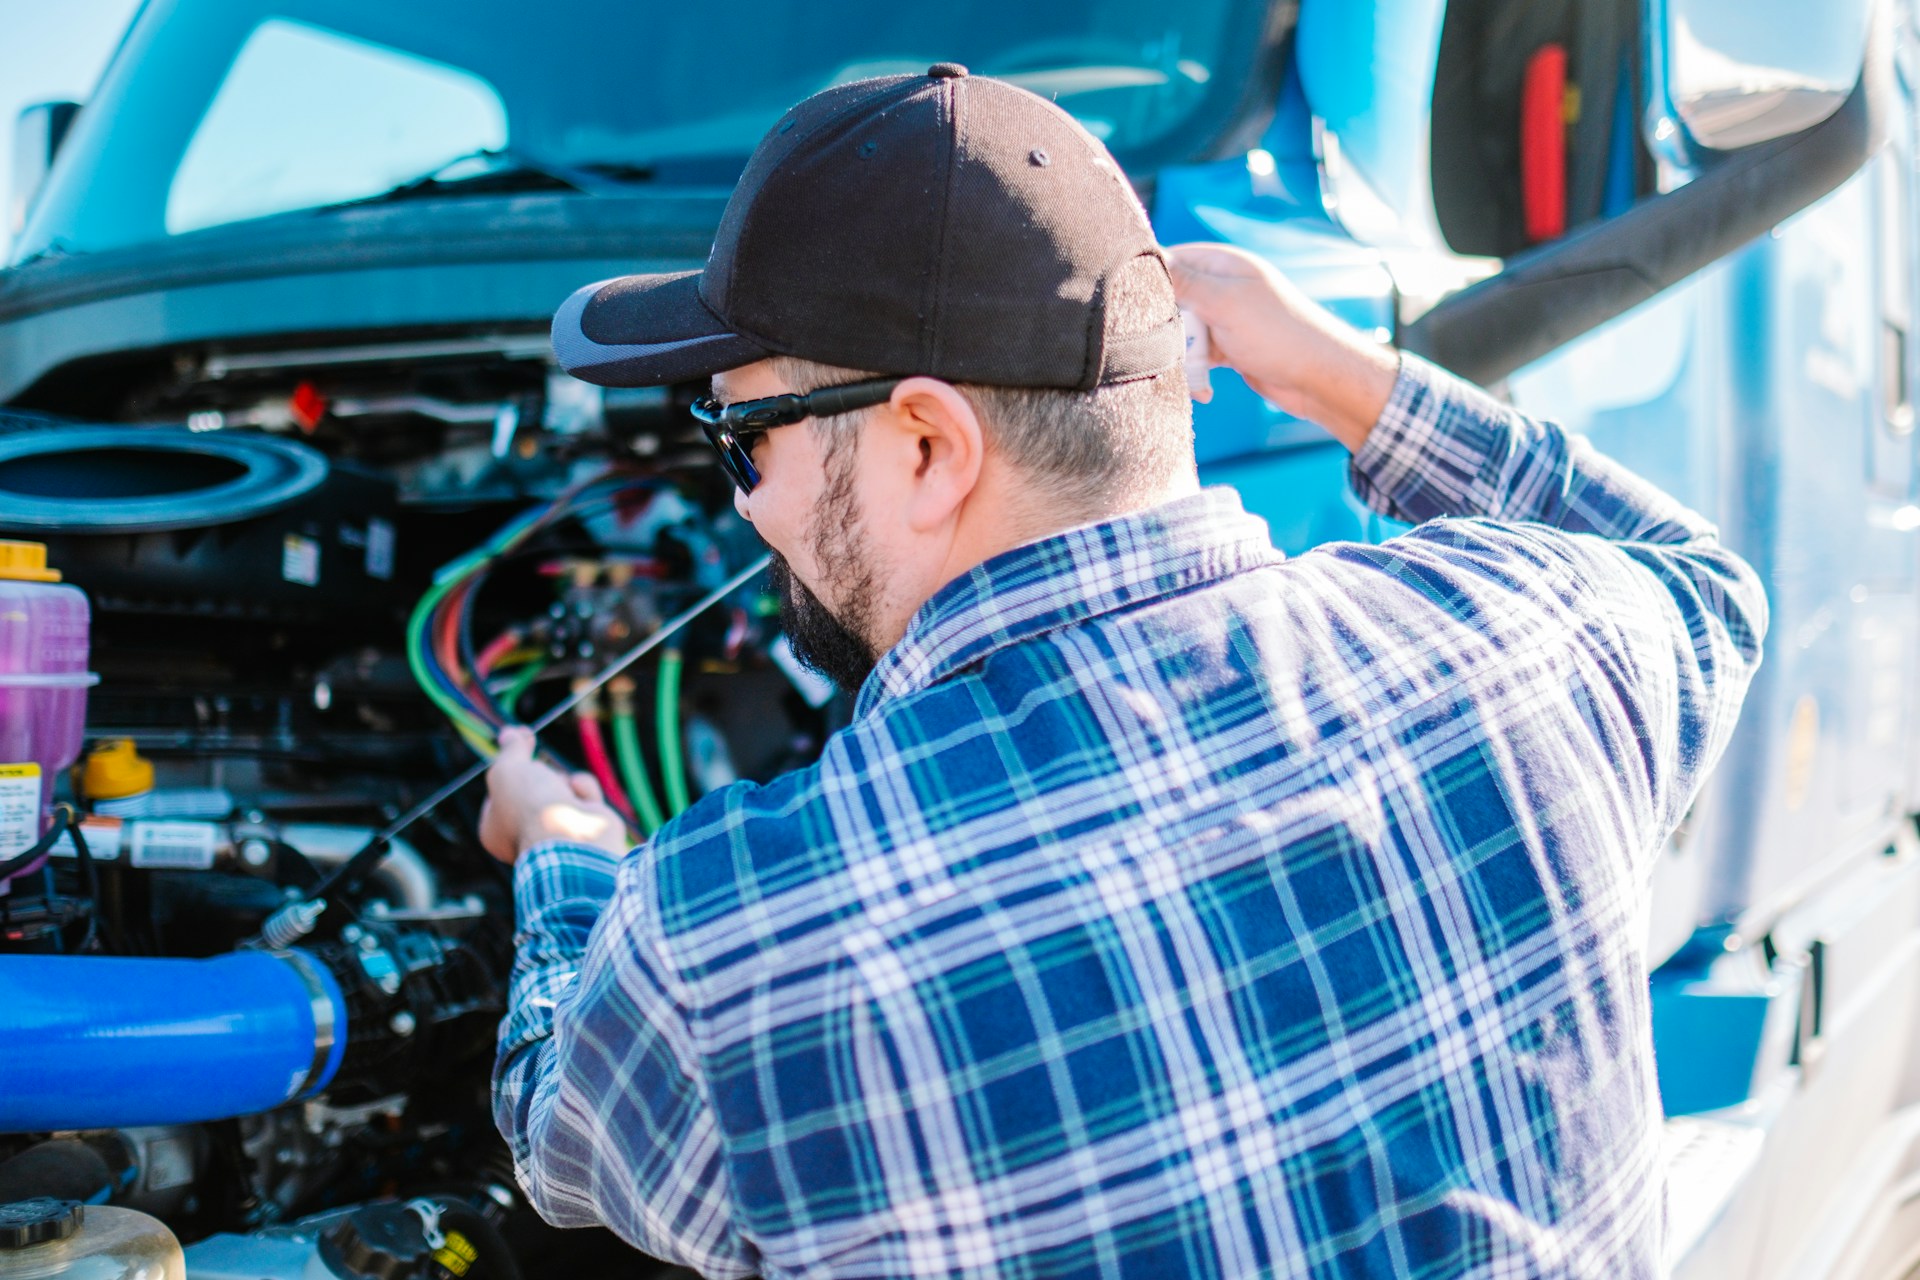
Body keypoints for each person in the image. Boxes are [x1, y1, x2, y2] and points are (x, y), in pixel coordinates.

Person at [484, 66, 1764, 1279]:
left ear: (929, 442)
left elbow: (555, 1118)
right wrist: (1328, 366)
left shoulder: (723, 940)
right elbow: (1702, 576)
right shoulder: (1530, 644)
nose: (748, 506)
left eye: (740, 435)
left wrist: (567, 855)